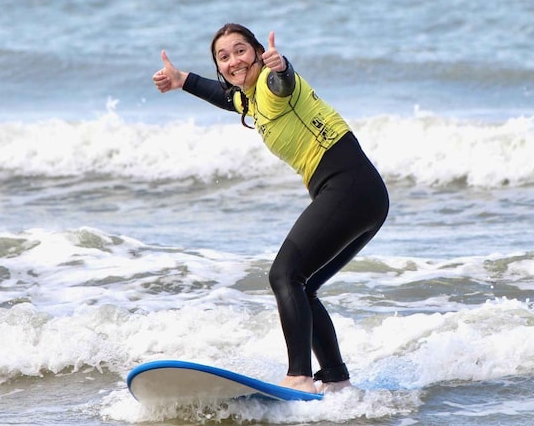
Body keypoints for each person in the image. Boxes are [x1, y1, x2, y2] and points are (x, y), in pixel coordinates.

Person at [152, 23, 389, 394]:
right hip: (363, 194)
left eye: (241, 50)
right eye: (223, 56)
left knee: (284, 275)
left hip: (349, 185)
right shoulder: (246, 98)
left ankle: (299, 376)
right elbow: (223, 95)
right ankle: (338, 381)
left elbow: (284, 83)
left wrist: (281, 67)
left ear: (259, 52)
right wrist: (182, 79)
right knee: (303, 286)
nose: (233, 60)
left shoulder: (268, 84)